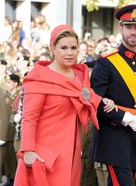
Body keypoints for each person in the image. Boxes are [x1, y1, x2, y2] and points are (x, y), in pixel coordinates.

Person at [14, 24, 116, 186]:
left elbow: (85, 96)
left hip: (72, 152)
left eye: (73, 48)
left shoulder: (80, 75)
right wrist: (28, 151)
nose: (70, 53)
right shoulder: (39, 77)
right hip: (45, 153)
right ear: (53, 48)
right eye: (64, 48)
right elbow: (29, 117)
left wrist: (102, 100)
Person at [89, 4, 136, 186]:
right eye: (128, 27)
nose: (133, 32)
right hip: (114, 138)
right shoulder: (106, 62)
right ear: (121, 28)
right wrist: (124, 117)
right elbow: (94, 101)